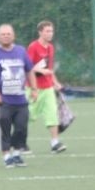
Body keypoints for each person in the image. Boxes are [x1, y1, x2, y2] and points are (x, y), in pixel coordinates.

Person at [0, 23, 38, 168]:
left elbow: (29, 70)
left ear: (13, 35)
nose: (6, 36)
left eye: (8, 33)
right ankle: (6, 156)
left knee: (21, 127)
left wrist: (34, 89)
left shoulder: (21, 51)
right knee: (4, 127)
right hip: (3, 100)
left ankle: (17, 154)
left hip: (20, 98)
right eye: (3, 34)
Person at [27, 20, 66, 154]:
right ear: (40, 32)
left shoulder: (50, 48)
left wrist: (55, 82)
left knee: (52, 114)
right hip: (34, 87)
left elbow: (50, 68)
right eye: (47, 31)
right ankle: (20, 141)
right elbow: (28, 67)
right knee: (28, 115)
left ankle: (55, 143)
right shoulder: (33, 47)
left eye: (51, 31)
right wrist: (40, 72)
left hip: (47, 87)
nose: (50, 34)